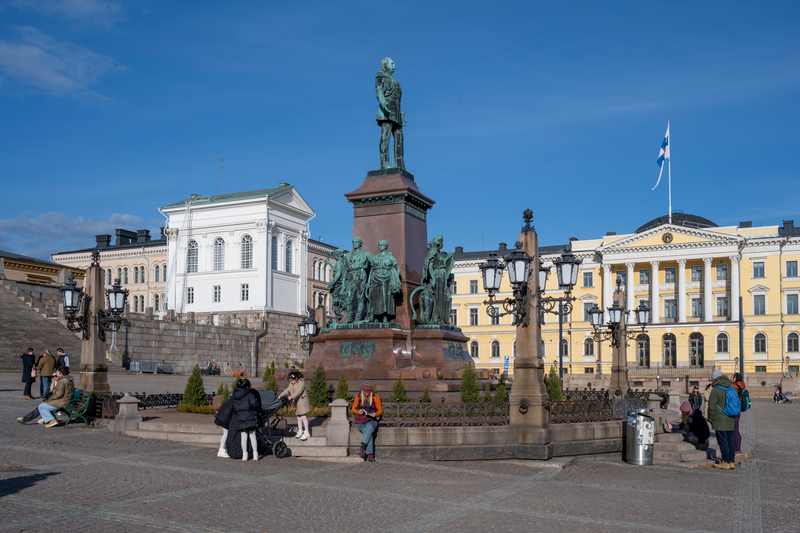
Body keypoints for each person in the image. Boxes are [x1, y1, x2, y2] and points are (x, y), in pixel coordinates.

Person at [376, 57, 405, 169]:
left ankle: (400, 165)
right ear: (386, 65)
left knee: (400, 138)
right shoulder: (381, 76)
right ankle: (384, 163)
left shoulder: (396, 82)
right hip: (386, 111)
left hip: (396, 113)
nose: (394, 65)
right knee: (385, 136)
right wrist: (383, 103)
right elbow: (379, 91)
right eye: (392, 63)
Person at [707, 369, 736, 470]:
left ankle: (725, 462)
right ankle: (732, 461)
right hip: (730, 418)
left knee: (723, 441)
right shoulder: (730, 387)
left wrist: (710, 419)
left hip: (720, 419)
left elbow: (712, 407)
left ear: (715, 379)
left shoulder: (716, 390)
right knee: (730, 441)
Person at [367, 240, 401, 323]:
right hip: (375, 279)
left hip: (387, 280)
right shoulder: (375, 257)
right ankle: (376, 317)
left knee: (385, 298)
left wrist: (395, 278)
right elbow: (371, 270)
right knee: (375, 298)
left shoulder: (390, 257)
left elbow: (397, 268)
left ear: (386, 246)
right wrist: (368, 282)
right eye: (379, 245)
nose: (380, 246)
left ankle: (385, 317)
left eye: (382, 245)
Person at [231, 378, 262, 461]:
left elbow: (234, 406)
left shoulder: (234, 395)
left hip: (240, 418)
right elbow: (255, 404)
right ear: (247, 386)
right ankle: (255, 454)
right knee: (252, 435)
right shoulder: (249, 395)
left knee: (243, 436)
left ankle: (245, 455)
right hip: (250, 417)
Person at [351, 381, 382, 462]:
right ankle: (370, 454)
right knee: (369, 432)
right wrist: (358, 412)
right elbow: (353, 408)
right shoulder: (358, 396)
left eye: (368, 393)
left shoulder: (375, 397)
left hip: (372, 420)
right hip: (361, 420)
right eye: (364, 392)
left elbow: (380, 410)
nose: (366, 394)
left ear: (371, 391)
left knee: (370, 426)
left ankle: (363, 448)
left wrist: (376, 413)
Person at [281, 371, 311, 440]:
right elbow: (287, 390)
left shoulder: (301, 382)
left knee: (303, 416)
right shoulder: (291, 384)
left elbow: (299, 392)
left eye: (292, 381)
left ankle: (306, 432)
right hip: (297, 402)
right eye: (290, 381)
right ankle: (300, 430)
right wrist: (281, 395)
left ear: (296, 378)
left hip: (302, 401)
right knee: (298, 417)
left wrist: (292, 397)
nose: (291, 382)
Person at [731, 372, 746, 455]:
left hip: (733, 409)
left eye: (732, 376)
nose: (731, 376)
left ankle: (737, 449)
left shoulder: (733, 386)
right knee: (736, 430)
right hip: (738, 409)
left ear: (735, 379)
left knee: (734, 430)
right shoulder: (741, 385)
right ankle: (737, 448)